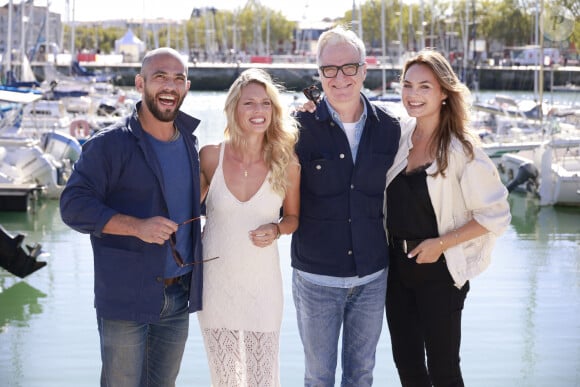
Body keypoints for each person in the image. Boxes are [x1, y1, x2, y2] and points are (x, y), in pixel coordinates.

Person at [60, 47, 203, 386]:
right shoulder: (108, 145)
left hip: (178, 298)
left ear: (187, 87)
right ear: (140, 83)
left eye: (178, 79)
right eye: (160, 77)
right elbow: (73, 205)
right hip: (124, 299)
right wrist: (136, 227)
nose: (170, 86)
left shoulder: (191, 143)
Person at [384, 49, 511, 386]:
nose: (413, 95)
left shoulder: (461, 149)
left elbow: (496, 214)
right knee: (408, 368)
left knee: (443, 370)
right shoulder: (399, 137)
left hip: (439, 272)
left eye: (425, 87)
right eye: (408, 85)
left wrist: (440, 245)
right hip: (395, 269)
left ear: (444, 93)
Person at [291, 26, 401, 386]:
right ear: (319, 74)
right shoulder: (296, 126)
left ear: (364, 70)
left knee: (361, 375)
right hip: (316, 279)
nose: (339, 78)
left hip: (372, 276)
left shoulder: (390, 128)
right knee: (318, 377)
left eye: (349, 67)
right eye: (329, 70)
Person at [197, 68, 300, 386]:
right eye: (249, 103)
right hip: (216, 287)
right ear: (233, 109)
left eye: (266, 103)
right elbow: (184, 209)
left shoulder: (288, 163)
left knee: (263, 379)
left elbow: (293, 219)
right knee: (225, 378)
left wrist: (278, 229)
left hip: (263, 288)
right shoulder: (211, 157)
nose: (259, 111)